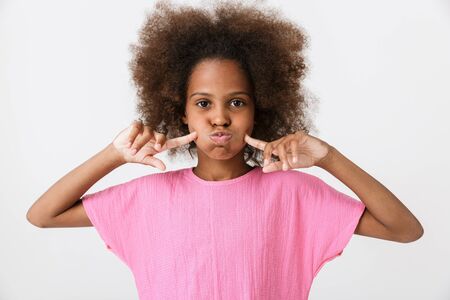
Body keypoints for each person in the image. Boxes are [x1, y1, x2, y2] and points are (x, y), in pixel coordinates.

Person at [26, 1, 424, 299]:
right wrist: (114, 154)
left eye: (236, 102)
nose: (219, 118)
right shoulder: (148, 197)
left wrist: (329, 158)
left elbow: (405, 230)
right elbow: (43, 215)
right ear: (179, 112)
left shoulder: (293, 193)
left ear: (258, 109)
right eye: (203, 103)